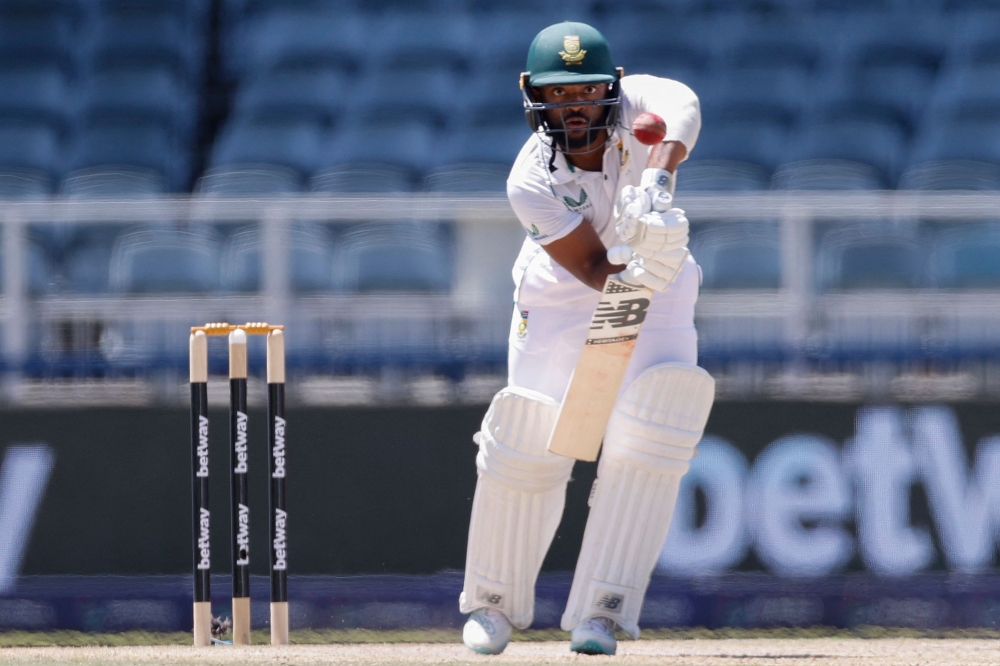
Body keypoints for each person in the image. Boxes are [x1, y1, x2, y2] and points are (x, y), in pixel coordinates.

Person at [458, 21, 716, 656]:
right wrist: (638, 270)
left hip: (658, 278)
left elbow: (684, 102)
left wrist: (656, 178)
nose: (573, 105)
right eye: (557, 93)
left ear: (613, 86)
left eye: (586, 90)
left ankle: (603, 614)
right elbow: (596, 272)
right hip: (564, 294)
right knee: (531, 436)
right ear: (533, 96)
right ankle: (493, 606)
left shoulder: (638, 104)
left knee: (654, 427)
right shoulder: (529, 181)